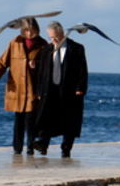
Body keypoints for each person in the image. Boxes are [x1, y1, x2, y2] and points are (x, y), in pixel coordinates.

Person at [0, 17, 48, 155]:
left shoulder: (43, 45)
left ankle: (30, 148)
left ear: (36, 29)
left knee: (31, 121)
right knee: (18, 121)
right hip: (17, 89)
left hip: (33, 89)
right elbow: (3, 61)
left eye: (31, 30)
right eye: (26, 30)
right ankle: (17, 148)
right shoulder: (14, 43)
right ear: (22, 30)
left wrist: (36, 66)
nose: (29, 33)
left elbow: (47, 69)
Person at [32, 21, 88, 158]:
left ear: (62, 33)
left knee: (70, 121)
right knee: (46, 118)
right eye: (51, 38)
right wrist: (39, 91)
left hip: (69, 91)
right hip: (49, 91)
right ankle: (43, 144)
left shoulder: (77, 49)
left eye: (56, 37)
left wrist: (80, 88)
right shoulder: (46, 50)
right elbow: (41, 73)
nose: (54, 40)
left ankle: (66, 148)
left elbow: (83, 70)